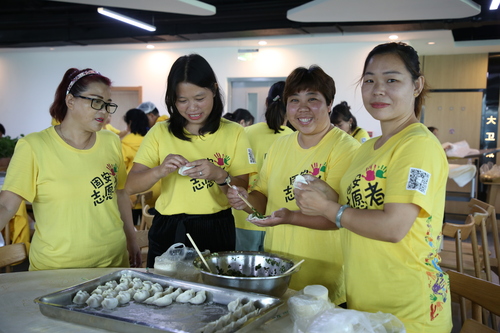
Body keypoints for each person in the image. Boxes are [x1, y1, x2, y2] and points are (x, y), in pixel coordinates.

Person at [294, 42, 451, 332]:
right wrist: (324, 194)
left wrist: (329, 208)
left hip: (409, 310)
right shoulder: (368, 148)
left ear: (417, 85)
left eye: (392, 80)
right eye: (369, 80)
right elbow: (357, 207)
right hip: (366, 302)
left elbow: (393, 227)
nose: (378, 89)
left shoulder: (418, 146)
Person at [227, 65, 360, 305]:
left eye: (313, 99)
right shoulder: (280, 145)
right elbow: (262, 199)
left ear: (329, 104)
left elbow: (342, 216)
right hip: (277, 268)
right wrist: (244, 199)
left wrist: (290, 217)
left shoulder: (346, 149)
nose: (303, 108)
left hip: (323, 274)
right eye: (294, 100)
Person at [0, 68, 141, 270]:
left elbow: (119, 194)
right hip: (55, 270)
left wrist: (132, 240)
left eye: (108, 104)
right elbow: (6, 206)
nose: (103, 110)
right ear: (70, 101)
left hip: (113, 263)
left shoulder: (111, 141)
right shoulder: (34, 146)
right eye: (96, 101)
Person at [125, 54, 257, 268]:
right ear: (172, 99)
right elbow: (131, 185)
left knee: (214, 295)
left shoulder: (234, 133)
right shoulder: (160, 132)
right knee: (164, 295)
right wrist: (159, 171)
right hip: (168, 226)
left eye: (199, 98)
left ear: (214, 90)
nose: (192, 108)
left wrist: (220, 176)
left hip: (216, 226)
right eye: (182, 100)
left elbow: (241, 192)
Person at [233, 81, 293, 251]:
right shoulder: (294, 139)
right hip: (278, 216)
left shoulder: (245, 133)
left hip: (243, 213)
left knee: (242, 272)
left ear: (267, 103)